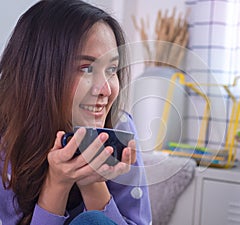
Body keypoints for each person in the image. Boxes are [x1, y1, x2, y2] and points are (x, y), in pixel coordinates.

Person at [0, 0, 152, 225]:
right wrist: (57, 183)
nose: (106, 90)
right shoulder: (6, 139)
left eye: (111, 69)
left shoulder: (118, 127)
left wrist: (91, 180)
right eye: (86, 68)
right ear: (39, 73)